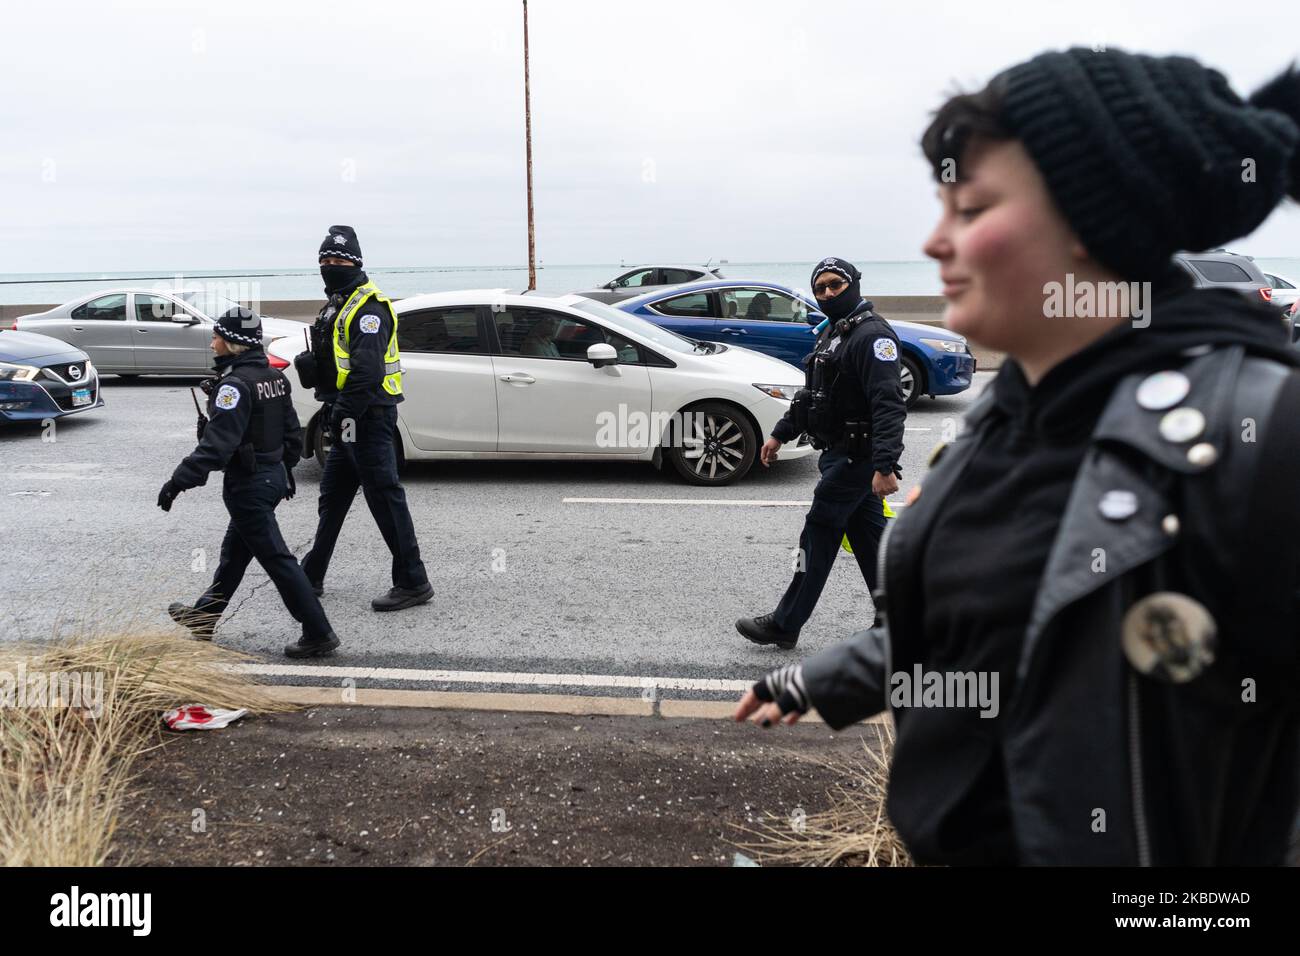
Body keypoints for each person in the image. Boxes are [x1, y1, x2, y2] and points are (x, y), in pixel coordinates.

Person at [736, 48, 1300, 866]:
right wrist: (828, 680)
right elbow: (986, 625)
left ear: (1091, 219)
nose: (933, 243)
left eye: (972, 208)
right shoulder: (1011, 416)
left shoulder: (1266, 435)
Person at [734, 257, 906, 649]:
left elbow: (889, 405)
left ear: (854, 285)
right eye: (820, 288)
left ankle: (785, 622)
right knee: (871, 542)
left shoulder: (873, 337)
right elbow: (812, 396)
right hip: (837, 454)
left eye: (836, 285)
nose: (828, 293)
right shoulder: (834, 333)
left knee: (817, 536)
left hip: (854, 460)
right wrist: (780, 433)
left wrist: (885, 465)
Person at [159, 307, 340, 659]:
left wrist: (177, 482)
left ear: (233, 344)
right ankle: (204, 616)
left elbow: (216, 446)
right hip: (270, 479)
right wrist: (283, 472)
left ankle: (318, 632)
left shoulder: (234, 387)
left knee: (278, 560)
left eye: (216, 338)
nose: (212, 344)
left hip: (249, 486)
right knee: (234, 555)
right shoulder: (274, 378)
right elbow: (291, 434)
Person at [298, 225, 433, 612]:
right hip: (346, 414)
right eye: (324, 259)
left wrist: (341, 414)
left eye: (338, 260)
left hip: (367, 416)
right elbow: (340, 364)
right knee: (333, 499)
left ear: (355, 263)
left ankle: (413, 581)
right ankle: (312, 574)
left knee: (384, 497)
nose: (330, 265)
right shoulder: (338, 303)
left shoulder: (368, 308)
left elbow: (368, 372)